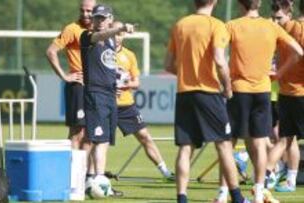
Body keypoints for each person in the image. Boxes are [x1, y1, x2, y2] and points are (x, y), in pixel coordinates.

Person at [164, 1, 249, 203]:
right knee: (223, 145)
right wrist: (227, 87)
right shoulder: (216, 25)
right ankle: (237, 197)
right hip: (208, 93)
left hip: (185, 93)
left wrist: (187, 74)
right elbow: (220, 61)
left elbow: (168, 64)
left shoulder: (180, 24)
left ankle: (182, 198)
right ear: (214, 2)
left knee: (186, 147)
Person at [225, 0, 303, 202]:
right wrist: (278, 74)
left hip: (241, 90)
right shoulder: (273, 27)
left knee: (230, 143)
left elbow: (216, 53)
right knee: (265, 141)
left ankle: (223, 193)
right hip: (265, 90)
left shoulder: (233, 25)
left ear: (241, 5)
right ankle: (261, 191)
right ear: (259, 4)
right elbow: (298, 52)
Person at [80, 4, 135, 196]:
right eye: (97, 18)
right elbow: (98, 37)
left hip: (110, 95)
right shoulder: (87, 36)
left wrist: (117, 83)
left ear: (110, 18)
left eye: (103, 18)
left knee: (102, 141)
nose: (99, 21)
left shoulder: (112, 42)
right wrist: (120, 28)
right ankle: (88, 182)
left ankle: (96, 180)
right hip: (96, 95)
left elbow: (109, 67)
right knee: (94, 139)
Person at [112, 21, 174, 181]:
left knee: (145, 136)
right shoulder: (100, 53)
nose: (116, 37)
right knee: (96, 141)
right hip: (106, 104)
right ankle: (89, 175)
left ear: (124, 35)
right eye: (113, 32)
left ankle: (165, 172)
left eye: (119, 33)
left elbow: (136, 83)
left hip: (126, 106)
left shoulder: (129, 55)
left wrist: (122, 83)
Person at [46, 0, 96, 149]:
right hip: (78, 86)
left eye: (89, 11)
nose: (85, 14)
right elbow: (50, 51)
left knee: (90, 133)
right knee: (77, 132)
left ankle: (86, 170)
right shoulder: (72, 29)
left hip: (94, 87)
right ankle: (70, 170)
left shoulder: (100, 31)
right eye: (82, 10)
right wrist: (64, 76)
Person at [266, 0, 304, 193]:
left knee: (287, 140)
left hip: (287, 92)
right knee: (285, 140)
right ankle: (266, 174)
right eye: (275, 17)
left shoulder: (278, 31)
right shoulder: (293, 29)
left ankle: (286, 179)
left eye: (278, 17)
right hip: (296, 93)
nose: (276, 20)